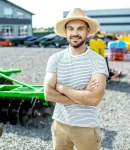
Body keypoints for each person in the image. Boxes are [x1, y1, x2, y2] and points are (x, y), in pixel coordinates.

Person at [44, 8, 109, 150]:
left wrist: (62, 88)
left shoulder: (97, 61)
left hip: (86, 128)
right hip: (60, 125)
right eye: (70, 29)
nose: (75, 33)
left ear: (87, 31)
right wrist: (82, 96)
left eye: (80, 29)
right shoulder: (55, 59)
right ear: (65, 32)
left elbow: (93, 100)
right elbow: (48, 94)